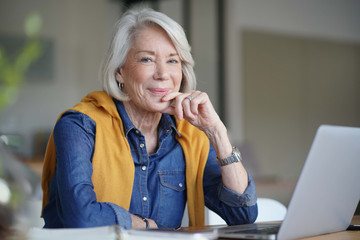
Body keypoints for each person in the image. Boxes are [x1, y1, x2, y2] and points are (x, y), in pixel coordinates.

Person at [41, 7, 258, 229]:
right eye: (147, 59)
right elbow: (80, 217)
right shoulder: (80, 126)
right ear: (119, 71)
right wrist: (143, 224)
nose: (162, 74)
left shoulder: (191, 136)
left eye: (172, 61)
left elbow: (243, 214)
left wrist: (216, 131)